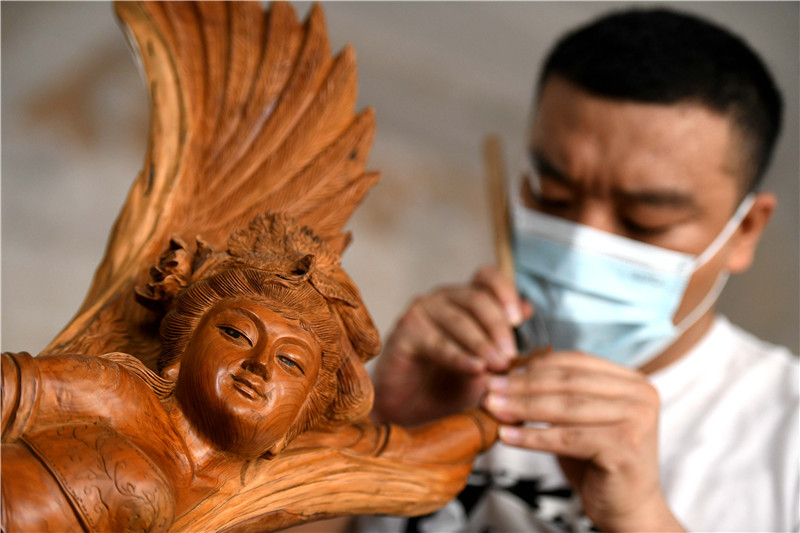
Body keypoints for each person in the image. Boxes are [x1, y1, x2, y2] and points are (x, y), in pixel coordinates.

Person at [362, 7, 798, 533]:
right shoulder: (437, 366)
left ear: (745, 230)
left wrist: (642, 518)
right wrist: (373, 432)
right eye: (553, 196)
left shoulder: (786, 442)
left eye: (645, 222)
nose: (579, 248)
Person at [1, 213, 499, 533]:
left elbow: (406, 455)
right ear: (180, 352)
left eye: (290, 362)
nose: (259, 364)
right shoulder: (116, 393)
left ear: (292, 428)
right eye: (237, 334)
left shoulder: (262, 487)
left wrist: (494, 415)